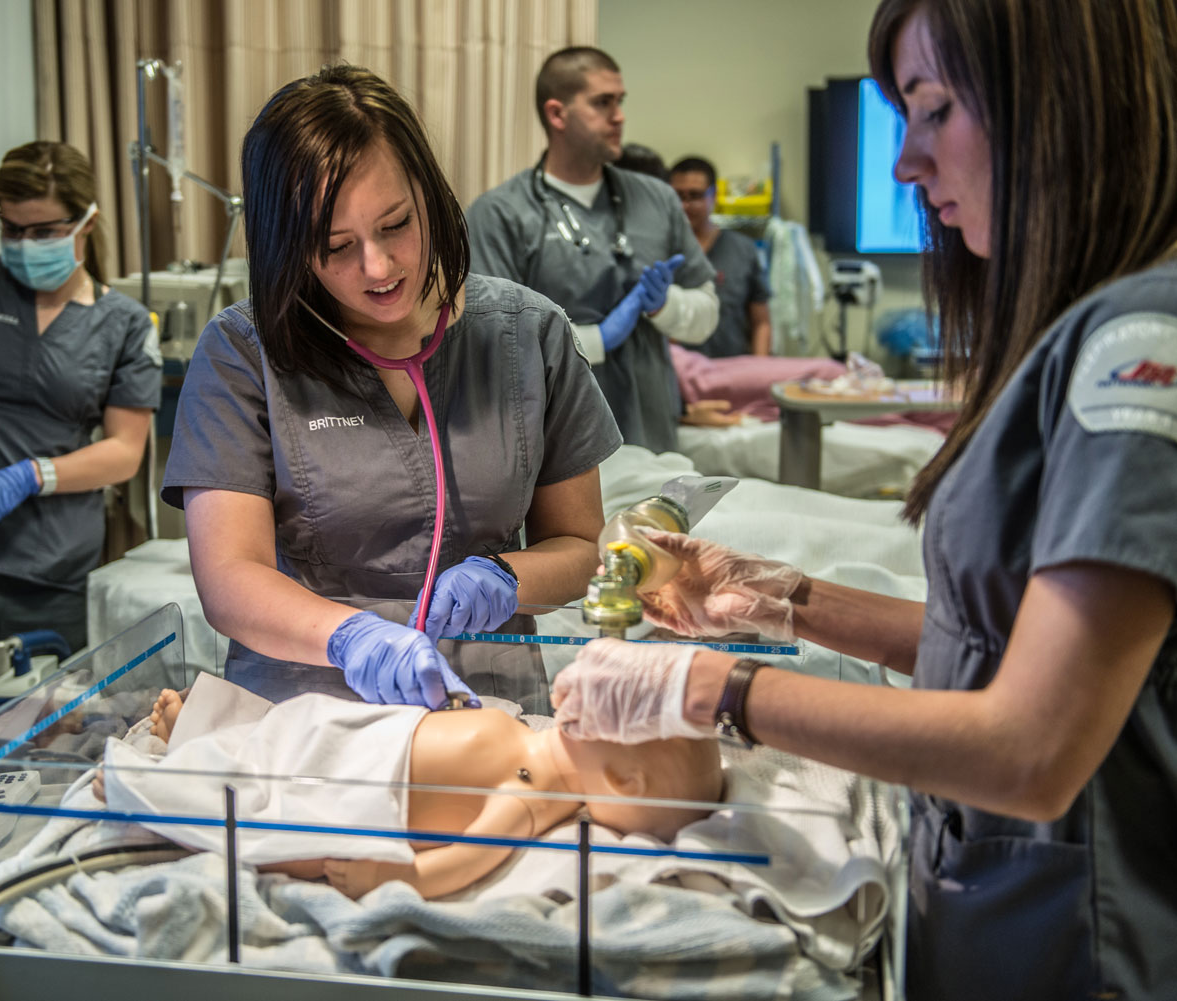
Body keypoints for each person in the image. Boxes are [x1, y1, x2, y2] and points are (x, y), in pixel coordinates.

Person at [551, 1, 1177, 998]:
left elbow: (1033, 746)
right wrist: (785, 598)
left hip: (1076, 938)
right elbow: (998, 643)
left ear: (1050, 105)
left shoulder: (1137, 347)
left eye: (931, 112)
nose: (905, 166)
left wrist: (716, 692)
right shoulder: (1078, 333)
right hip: (995, 904)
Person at [162, 66, 623, 715]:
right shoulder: (242, 353)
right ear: (288, 247)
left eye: (396, 224)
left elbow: (580, 546)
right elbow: (229, 579)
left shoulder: (530, 336)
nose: (376, 268)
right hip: (307, 711)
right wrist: (349, 637)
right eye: (335, 246)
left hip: (490, 706)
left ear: (429, 195)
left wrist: (508, 578)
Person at [97, 672, 721, 900]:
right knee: (275, 733)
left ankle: (148, 788)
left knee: (269, 814)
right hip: (357, 733)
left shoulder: (533, 791)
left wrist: (395, 879)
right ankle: (198, 734)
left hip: (365, 787)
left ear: (621, 780)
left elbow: (466, 860)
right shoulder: (532, 736)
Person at [0, 141, 161, 704]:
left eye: (41, 232)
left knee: (47, 738)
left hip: (55, 576)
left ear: (85, 222)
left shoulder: (124, 324)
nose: (23, 245)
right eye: (11, 229)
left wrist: (29, 475)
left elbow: (125, 451)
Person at [467, 47, 721, 455]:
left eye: (620, 101)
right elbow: (493, 347)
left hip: (651, 432)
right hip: (555, 445)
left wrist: (665, 307)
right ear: (557, 114)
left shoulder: (657, 200)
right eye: (603, 103)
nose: (619, 115)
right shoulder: (500, 214)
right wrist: (598, 340)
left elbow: (707, 312)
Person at [669, 156, 772, 358]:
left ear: (713, 195)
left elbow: (761, 322)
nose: (685, 205)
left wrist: (759, 369)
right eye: (678, 196)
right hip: (679, 375)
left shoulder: (742, 250)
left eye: (695, 195)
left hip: (733, 372)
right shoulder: (661, 250)